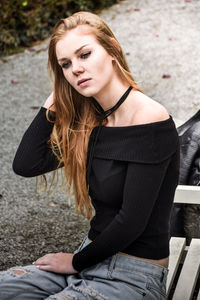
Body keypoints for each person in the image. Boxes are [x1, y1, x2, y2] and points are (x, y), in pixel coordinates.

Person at [0, 10, 180, 300]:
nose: (76, 70)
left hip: (133, 277)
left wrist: (74, 261)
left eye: (84, 55)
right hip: (89, 257)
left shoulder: (149, 119)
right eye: (65, 65)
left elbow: (132, 220)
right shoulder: (91, 124)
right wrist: (53, 103)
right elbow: (26, 164)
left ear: (112, 49)